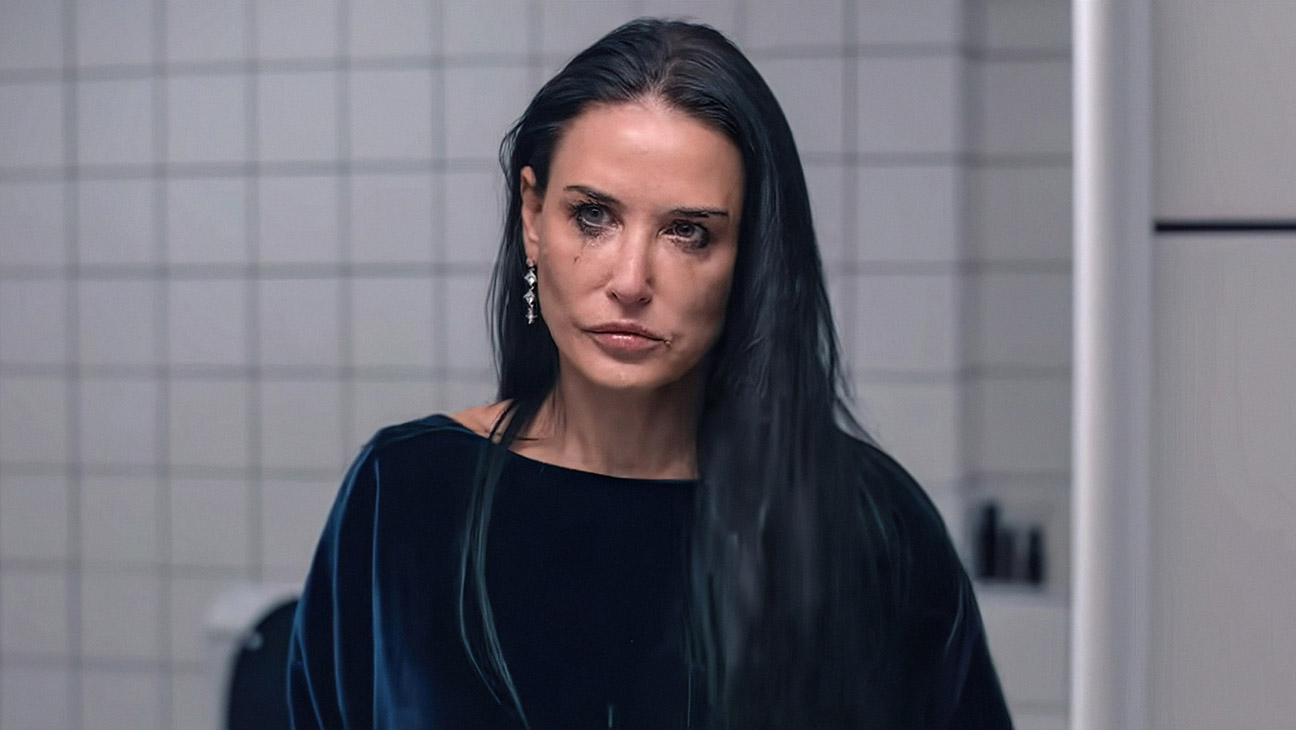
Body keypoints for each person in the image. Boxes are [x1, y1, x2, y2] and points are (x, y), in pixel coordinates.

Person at [287, 17, 1011, 730]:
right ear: (533, 216)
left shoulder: (869, 527)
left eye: (687, 232)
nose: (631, 280)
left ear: (750, 255)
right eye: (593, 216)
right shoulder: (403, 495)